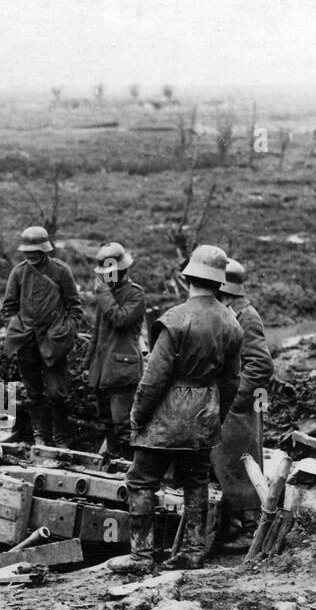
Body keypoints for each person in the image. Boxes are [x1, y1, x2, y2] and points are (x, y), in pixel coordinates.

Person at [108, 245, 242, 573]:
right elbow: (232, 381)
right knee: (196, 480)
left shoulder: (174, 319)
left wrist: (138, 416)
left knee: (141, 481)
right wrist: (215, 417)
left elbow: (154, 379)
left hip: (166, 417)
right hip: (203, 416)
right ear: (219, 282)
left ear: (189, 278)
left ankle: (141, 556)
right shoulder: (232, 322)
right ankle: (193, 552)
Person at [0, 225, 82, 447]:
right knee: (34, 393)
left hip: (54, 342)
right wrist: (18, 328)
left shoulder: (61, 271)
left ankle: (61, 438)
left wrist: (66, 331)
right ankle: (40, 436)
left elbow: (75, 307)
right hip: (27, 342)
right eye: (28, 252)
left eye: (36, 251)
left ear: (45, 250)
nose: (32, 256)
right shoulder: (18, 273)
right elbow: (7, 309)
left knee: (58, 393)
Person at [211, 258, 274, 543]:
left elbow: (261, 364)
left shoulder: (246, 316)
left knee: (240, 468)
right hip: (224, 405)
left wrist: (235, 400)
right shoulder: (227, 311)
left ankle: (249, 530)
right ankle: (231, 526)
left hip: (237, 409)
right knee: (225, 468)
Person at [82, 242, 145, 459]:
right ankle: (114, 457)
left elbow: (121, 319)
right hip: (102, 369)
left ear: (123, 270)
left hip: (122, 369)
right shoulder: (106, 295)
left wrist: (104, 293)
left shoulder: (135, 294)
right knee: (106, 420)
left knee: (123, 423)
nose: (108, 278)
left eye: (112, 273)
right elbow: (97, 334)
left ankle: (129, 465)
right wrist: (86, 364)